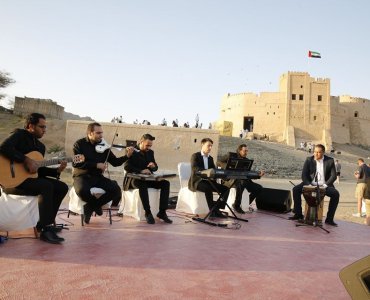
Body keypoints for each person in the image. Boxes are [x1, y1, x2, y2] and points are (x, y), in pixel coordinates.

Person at [0, 113, 68, 244]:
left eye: (45, 127)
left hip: (28, 181)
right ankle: (46, 229)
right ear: (31, 126)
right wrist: (25, 159)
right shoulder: (19, 135)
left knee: (62, 187)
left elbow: (38, 172)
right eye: (41, 127)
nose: (44, 130)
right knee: (46, 186)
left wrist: (57, 170)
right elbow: (3, 148)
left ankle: (43, 224)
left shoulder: (40, 147)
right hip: (12, 183)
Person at [72, 122, 134, 224]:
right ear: (90, 133)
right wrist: (96, 165)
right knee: (82, 191)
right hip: (82, 176)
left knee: (116, 190)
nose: (101, 135)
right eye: (98, 133)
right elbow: (76, 164)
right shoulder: (79, 144)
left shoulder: (104, 146)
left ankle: (91, 206)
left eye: (102, 133)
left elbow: (115, 162)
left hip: (97, 177)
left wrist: (127, 156)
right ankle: (94, 206)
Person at [123, 133, 172, 224]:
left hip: (148, 179)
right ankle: (148, 212)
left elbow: (155, 167)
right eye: (147, 145)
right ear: (141, 142)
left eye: (150, 145)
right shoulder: (131, 151)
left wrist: (153, 166)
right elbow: (126, 167)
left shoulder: (150, 152)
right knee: (142, 184)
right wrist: (141, 171)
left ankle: (162, 212)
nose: (149, 147)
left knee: (165, 183)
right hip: (135, 180)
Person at [289, 144, 340, 226]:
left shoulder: (330, 160)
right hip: (310, 184)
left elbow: (333, 176)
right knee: (296, 189)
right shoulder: (309, 159)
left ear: (323, 152)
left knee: (336, 194)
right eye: (315, 152)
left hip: (324, 185)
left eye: (319, 152)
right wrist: (308, 185)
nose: (316, 154)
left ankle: (329, 219)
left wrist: (325, 185)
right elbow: (304, 175)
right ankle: (298, 214)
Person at [188, 138, 230, 218]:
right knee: (208, 188)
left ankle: (216, 208)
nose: (210, 148)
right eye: (208, 146)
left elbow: (214, 171)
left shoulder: (210, 158)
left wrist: (224, 176)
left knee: (226, 189)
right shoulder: (195, 156)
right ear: (202, 145)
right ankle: (213, 211)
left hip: (209, 182)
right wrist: (207, 172)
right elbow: (195, 169)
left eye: (211, 146)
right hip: (197, 181)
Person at [219, 144, 264, 214]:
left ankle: (246, 203)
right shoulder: (230, 155)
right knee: (241, 183)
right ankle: (236, 205)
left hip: (244, 180)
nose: (246, 152)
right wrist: (229, 167)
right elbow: (219, 162)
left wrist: (258, 174)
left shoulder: (247, 160)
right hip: (230, 180)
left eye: (247, 151)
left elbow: (248, 173)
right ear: (239, 150)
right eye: (244, 151)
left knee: (259, 188)